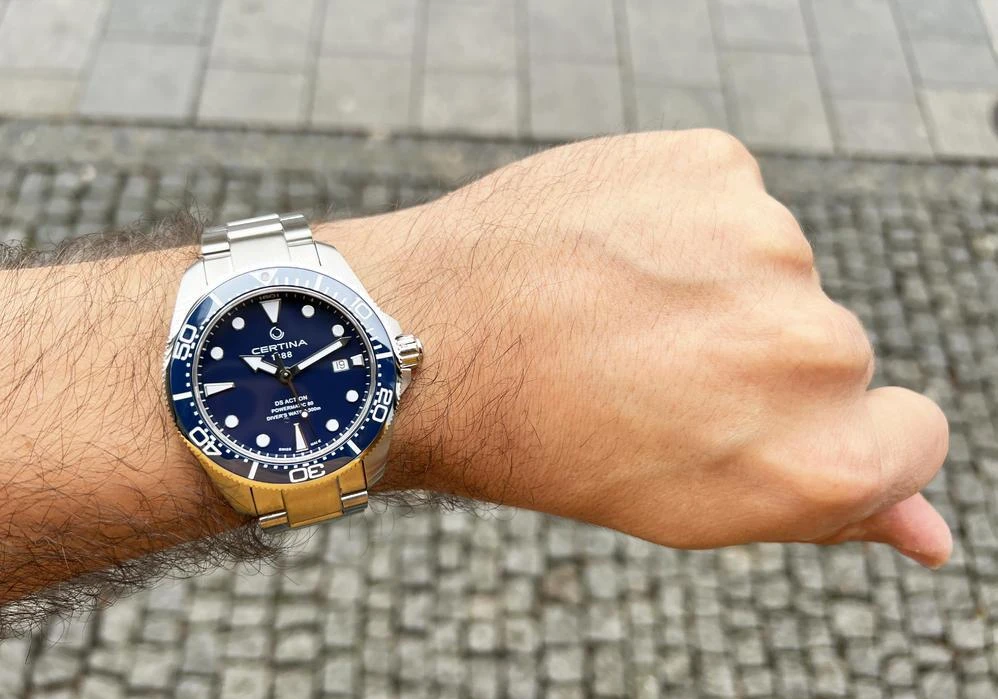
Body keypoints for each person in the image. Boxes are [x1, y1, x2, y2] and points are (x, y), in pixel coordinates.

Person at [0, 131, 950, 628]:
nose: (291, 370)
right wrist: (470, 333)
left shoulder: (354, 367)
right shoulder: (286, 381)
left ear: (392, 356)